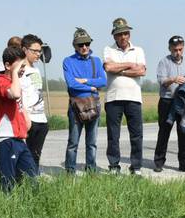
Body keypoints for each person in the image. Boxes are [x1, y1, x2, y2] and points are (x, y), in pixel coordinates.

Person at [102, 18, 146, 175]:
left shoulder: (138, 50)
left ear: (129, 34)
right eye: (120, 34)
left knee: (136, 134)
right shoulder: (109, 49)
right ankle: (114, 166)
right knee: (113, 135)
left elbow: (141, 71)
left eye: (126, 33)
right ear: (114, 36)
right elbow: (108, 67)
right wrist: (129, 65)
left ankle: (136, 167)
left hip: (134, 98)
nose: (123, 37)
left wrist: (119, 70)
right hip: (114, 98)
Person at [153, 35, 185, 173]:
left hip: (183, 103)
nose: (178, 52)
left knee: (183, 132)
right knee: (164, 132)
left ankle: (184, 164)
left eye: (180, 49)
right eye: (175, 50)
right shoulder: (164, 62)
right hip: (167, 101)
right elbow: (162, 81)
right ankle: (158, 162)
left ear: (183, 48)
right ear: (169, 48)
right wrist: (174, 79)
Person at [0, 46, 36, 193]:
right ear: (8, 65)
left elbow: (20, 105)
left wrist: (26, 120)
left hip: (18, 137)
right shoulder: (0, 82)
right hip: (6, 138)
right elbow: (15, 94)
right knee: (8, 178)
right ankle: (6, 204)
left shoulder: (16, 82)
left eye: (24, 66)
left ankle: (32, 201)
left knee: (31, 175)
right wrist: (15, 73)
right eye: (20, 66)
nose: (23, 69)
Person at [62, 28, 107, 173]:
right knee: (73, 142)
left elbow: (103, 81)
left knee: (92, 143)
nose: (84, 47)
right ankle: (70, 171)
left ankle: (91, 170)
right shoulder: (68, 61)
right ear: (74, 45)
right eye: (80, 44)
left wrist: (85, 81)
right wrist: (92, 88)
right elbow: (71, 84)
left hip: (94, 106)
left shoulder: (97, 61)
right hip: (76, 107)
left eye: (87, 43)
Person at [20, 34, 49, 170]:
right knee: (27, 154)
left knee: (36, 154)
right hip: (28, 118)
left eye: (39, 51)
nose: (38, 54)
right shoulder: (20, 69)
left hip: (41, 118)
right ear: (25, 50)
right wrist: (25, 117)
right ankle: (24, 180)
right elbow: (18, 95)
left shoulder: (36, 69)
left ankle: (33, 181)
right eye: (35, 51)